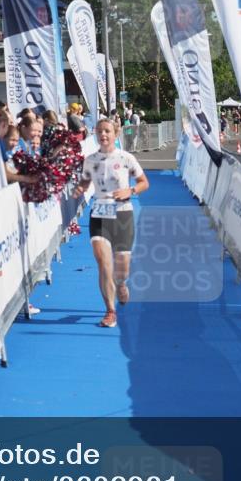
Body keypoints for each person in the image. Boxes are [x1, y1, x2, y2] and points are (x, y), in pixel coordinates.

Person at [72, 118, 150, 328]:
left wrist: (130, 190)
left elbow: (144, 183)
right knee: (103, 263)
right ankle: (110, 311)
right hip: (99, 213)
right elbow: (85, 181)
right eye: (99, 132)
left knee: (121, 268)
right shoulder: (90, 160)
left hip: (123, 215)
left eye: (107, 131)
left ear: (115, 134)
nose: (103, 135)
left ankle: (122, 284)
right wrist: (79, 189)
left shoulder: (126, 158)